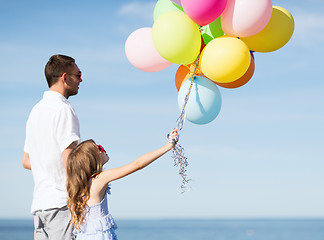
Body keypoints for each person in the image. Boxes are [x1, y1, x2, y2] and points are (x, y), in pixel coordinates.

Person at [66, 129, 178, 240]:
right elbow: (137, 164)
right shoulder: (100, 178)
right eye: (99, 148)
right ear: (93, 159)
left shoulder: (80, 188)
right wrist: (167, 146)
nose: (103, 149)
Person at [22, 54, 83, 240]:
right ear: (65, 77)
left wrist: (47, 165)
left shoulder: (35, 110)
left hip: (40, 207)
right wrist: (80, 198)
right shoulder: (64, 109)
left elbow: (26, 160)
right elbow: (68, 158)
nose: (81, 79)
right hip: (61, 204)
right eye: (78, 74)